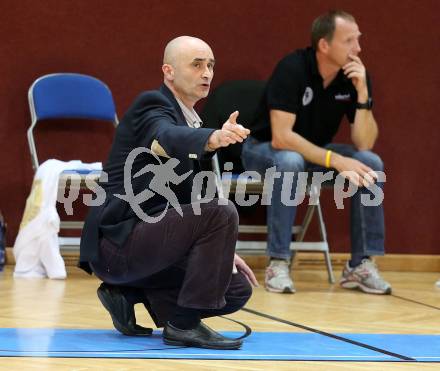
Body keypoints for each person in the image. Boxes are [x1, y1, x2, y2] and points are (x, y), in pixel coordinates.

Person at [79, 36, 257, 350]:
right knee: (223, 210)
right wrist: (213, 137)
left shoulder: (192, 123)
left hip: (152, 245)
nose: (207, 73)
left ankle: (128, 294)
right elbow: (167, 136)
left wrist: (223, 251)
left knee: (235, 289)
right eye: (197, 64)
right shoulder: (153, 106)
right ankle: (183, 327)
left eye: (211, 65)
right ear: (169, 71)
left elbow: (197, 204)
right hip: (118, 244)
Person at [242, 10, 391, 295]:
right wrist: (334, 159)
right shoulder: (292, 68)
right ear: (324, 45)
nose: (358, 49)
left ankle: (360, 266)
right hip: (264, 149)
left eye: (358, 40)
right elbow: (282, 137)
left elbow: (364, 143)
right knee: (289, 160)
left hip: (313, 154)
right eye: (349, 41)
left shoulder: (354, 77)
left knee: (370, 163)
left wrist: (362, 96)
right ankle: (278, 262)